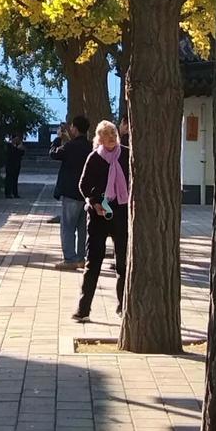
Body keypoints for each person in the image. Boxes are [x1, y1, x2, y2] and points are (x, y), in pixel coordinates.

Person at [72, 119, 129, 322]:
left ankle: (123, 306)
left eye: (113, 134)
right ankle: (83, 308)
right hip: (98, 215)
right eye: (106, 135)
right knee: (93, 262)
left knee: (123, 263)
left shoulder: (127, 154)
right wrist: (95, 203)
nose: (111, 138)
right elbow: (83, 185)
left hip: (121, 212)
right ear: (99, 138)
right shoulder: (94, 157)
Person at [49, 116, 92, 270]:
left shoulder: (70, 146)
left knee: (67, 226)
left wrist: (58, 138)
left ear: (75, 128)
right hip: (85, 194)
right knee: (82, 228)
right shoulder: (89, 146)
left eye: (72, 127)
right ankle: (81, 258)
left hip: (71, 193)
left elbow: (54, 153)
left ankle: (70, 258)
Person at [4, 134, 24, 198]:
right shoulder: (9, 145)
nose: (16, 140)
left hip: (17, 165)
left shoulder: (19, 146)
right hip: (10, 165)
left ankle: (15, 193)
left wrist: (21, 148)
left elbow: (21, 154)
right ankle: (8, 193)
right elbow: (11, 154)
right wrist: (17, 148)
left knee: (15, 179)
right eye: (15, 139)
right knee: (9, 179)